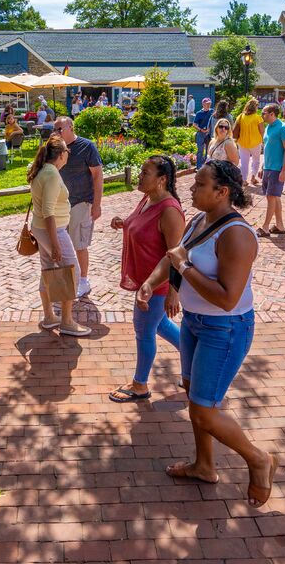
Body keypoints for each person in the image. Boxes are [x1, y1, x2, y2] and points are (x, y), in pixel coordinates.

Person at [137, 160, 276, 507]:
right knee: (194, 396)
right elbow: (173, 256)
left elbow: (228, 298)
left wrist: (184, 266)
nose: (192, 189)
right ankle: (204, 465)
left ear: (222, 192)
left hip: (224, 328)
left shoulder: (237, 234)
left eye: (199, 184)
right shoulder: (201, 219)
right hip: (195, 323)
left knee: (203, 410)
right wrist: (152, 282)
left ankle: (259, 460)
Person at [108, 155, 185, 402]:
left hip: (157, 285)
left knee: (144, 330)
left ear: (161, 180)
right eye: (140, 171)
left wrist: (174, 292)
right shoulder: (148, 198)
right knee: (159, 325)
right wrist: (124, 223)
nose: (140, 176)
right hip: (145, 281)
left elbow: (176, 255)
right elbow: (141, 225)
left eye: (145, 173)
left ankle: (140, 385)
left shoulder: (170, 211)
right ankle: (195, 359)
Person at [28, 134, 90, 337]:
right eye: (67, 152)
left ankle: (49, 317)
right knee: (72, 270)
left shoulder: (42, 170)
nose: (68, 155)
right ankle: (67, 321)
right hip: (52, 230)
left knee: (47, 270)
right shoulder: (52, 174)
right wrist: (55, 244)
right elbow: (48, 211)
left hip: (41, 229)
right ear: (61, 154)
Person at [53, 117, 103, 299]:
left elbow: (97, 175)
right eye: (54, 129)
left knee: (80, 245)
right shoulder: (56, 149)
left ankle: (83, 281)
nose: (56, 132)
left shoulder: (86, 146)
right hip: (61, 206)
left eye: (59, 129)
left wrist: (97, 205)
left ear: (70, 127)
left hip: (82, 202)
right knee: (61, 245)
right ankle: (67, 279)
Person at [257, 104, 285, 236]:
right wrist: (262, 166)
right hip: (268, 168)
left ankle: (265, 227)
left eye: (264, 113)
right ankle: (279, 225)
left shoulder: (284, 128)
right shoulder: (268, 128)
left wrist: (284, 170)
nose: (262, 115)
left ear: (272, 113)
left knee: (271, 197)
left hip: (277, 169)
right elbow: (267, 149)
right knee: (274, 197)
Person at [233, 98, 265, 186]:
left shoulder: (240, 116)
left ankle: (243, 180)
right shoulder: (258, 117)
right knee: (256, 160)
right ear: (256, 107)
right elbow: (262, 131)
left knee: (244, 162)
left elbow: (235, 129)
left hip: (242, 142)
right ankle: (253, 177)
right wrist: (264, 141)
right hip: (255, 142)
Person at [193, 98, 214, 168]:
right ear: (203, 104)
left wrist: (210, 129)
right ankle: (198, 167)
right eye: (207, 103)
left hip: (209, 134)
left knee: (209, 151)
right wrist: (201, 130)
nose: (208, 105)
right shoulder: (199, 113)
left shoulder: (212, 112)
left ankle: (206, 166)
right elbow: (194, 125)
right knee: (200, 151)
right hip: (201, 134)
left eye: (209, 103)